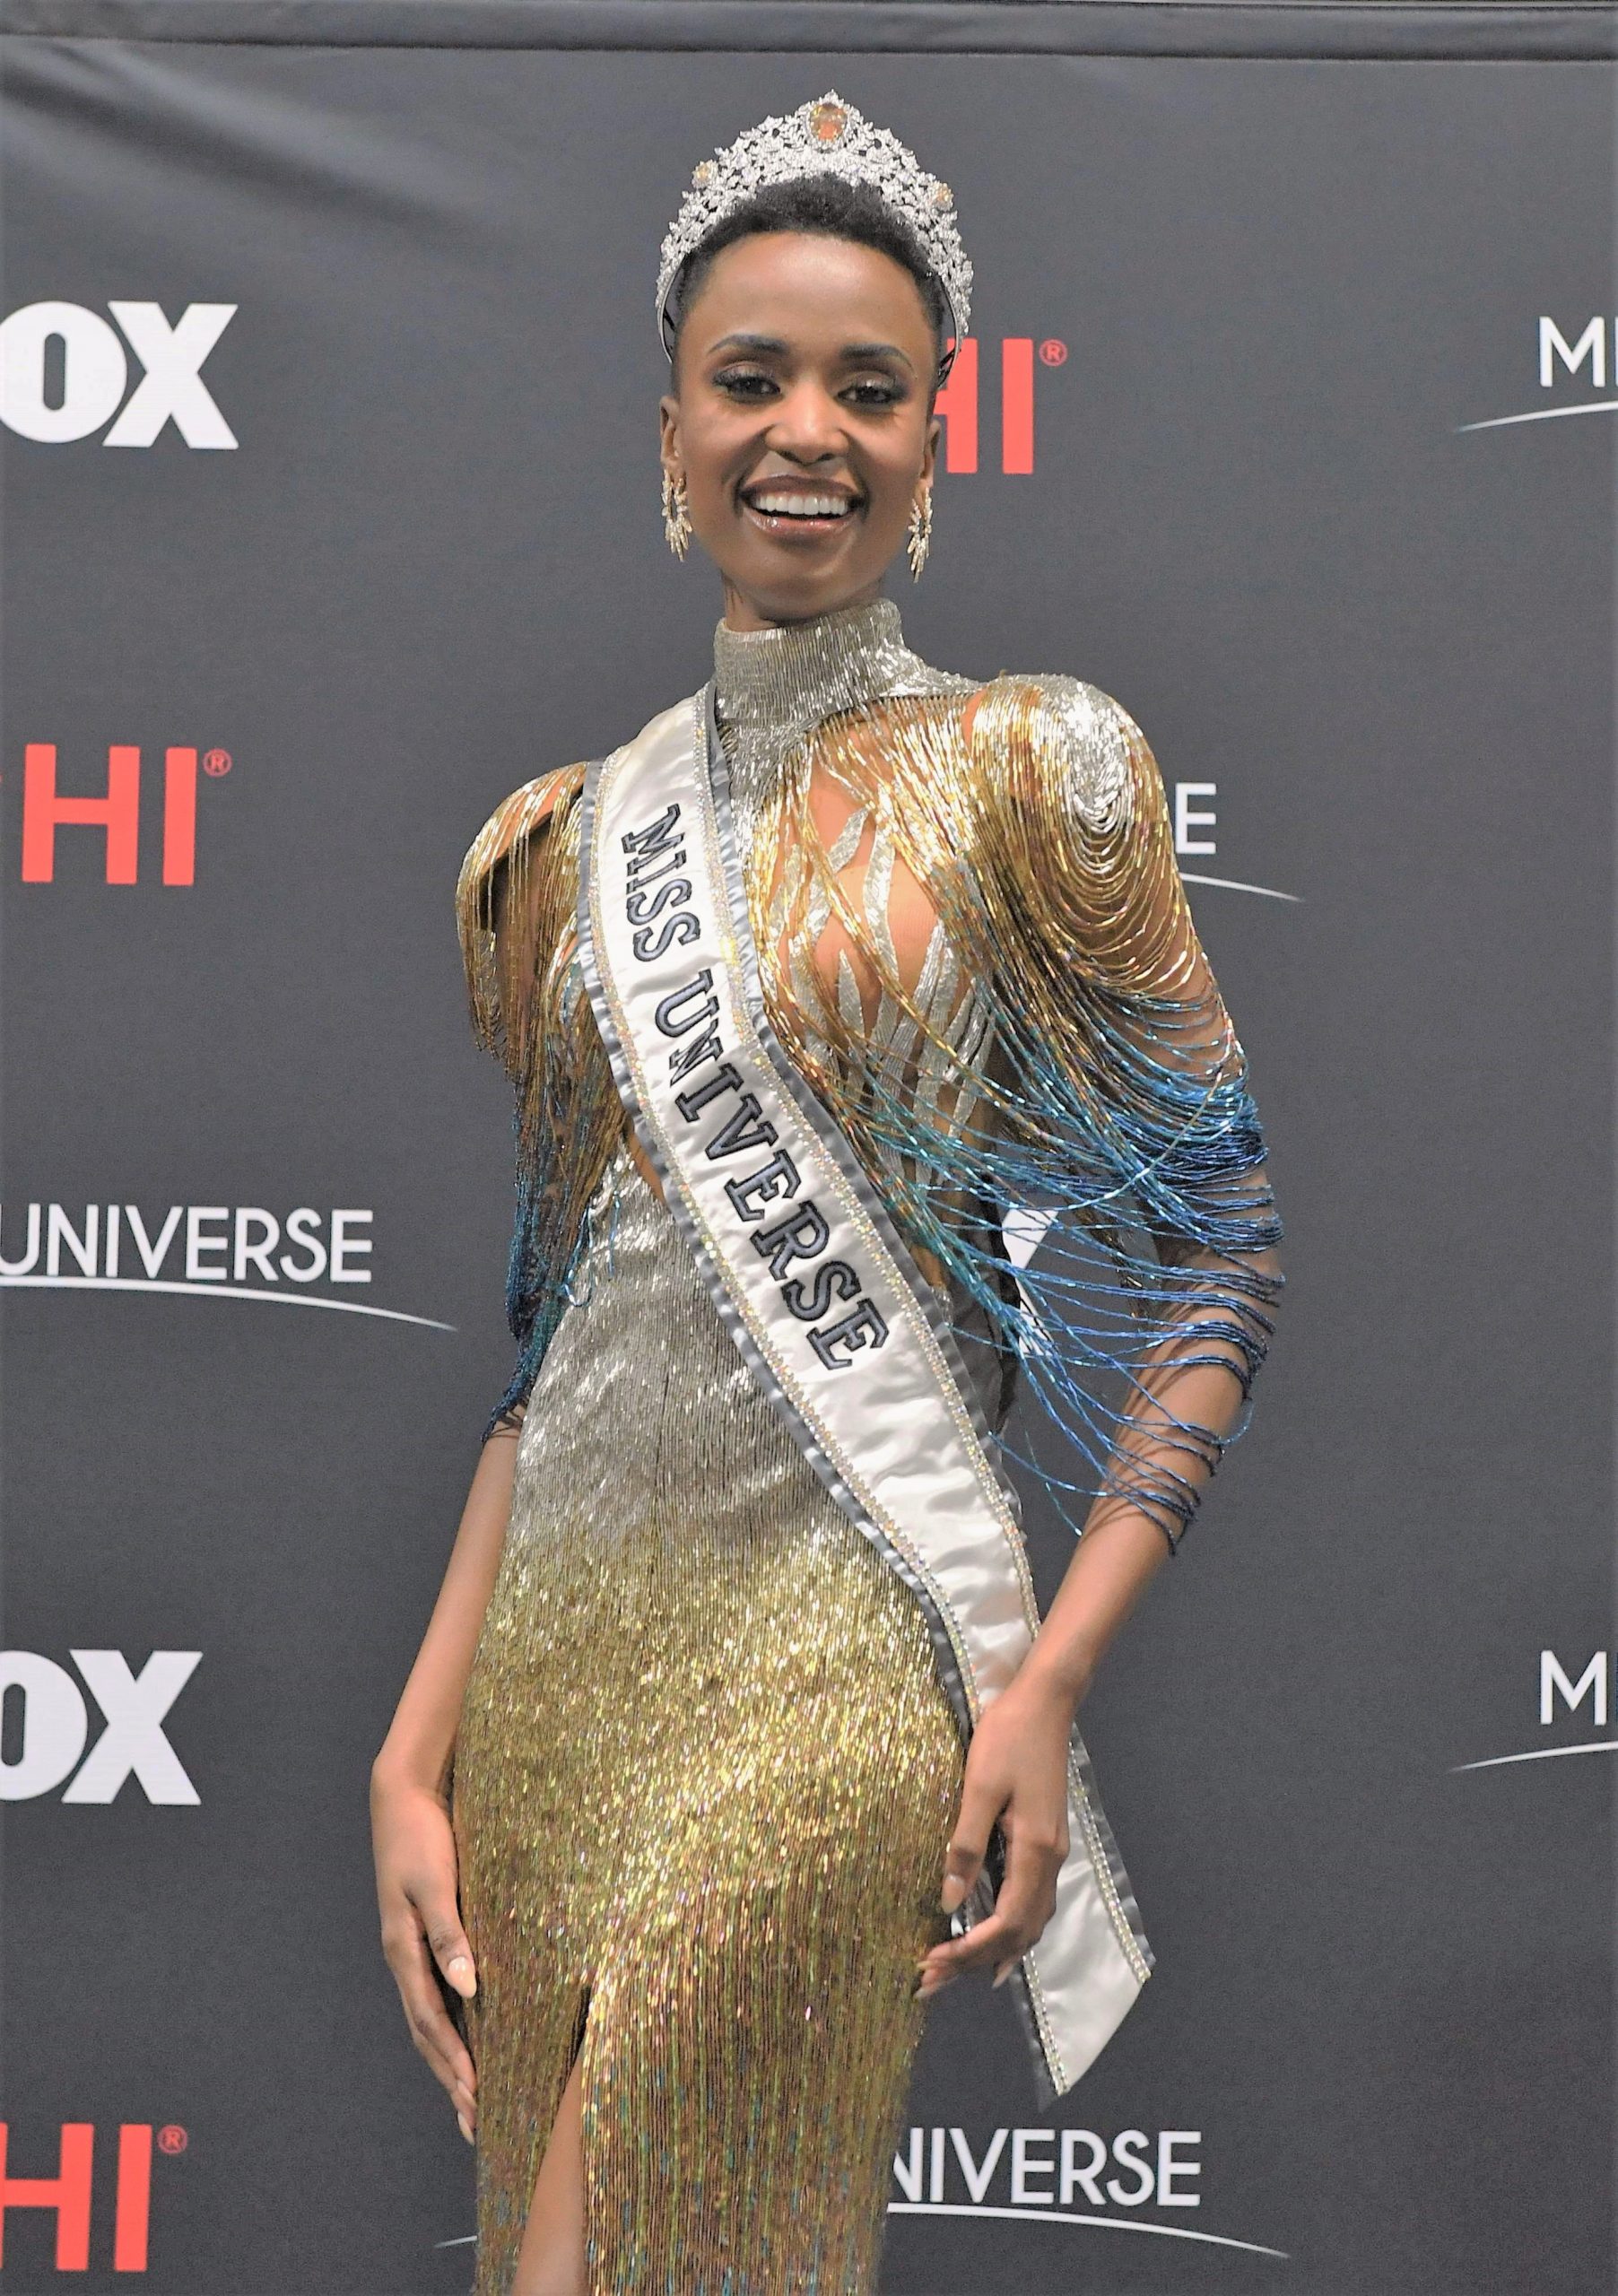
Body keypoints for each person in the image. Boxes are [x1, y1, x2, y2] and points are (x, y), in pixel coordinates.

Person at [370, 92, 1283, 2296]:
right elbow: (553, 1348)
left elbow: (1218, 1252)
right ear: (668, 432)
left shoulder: (1030, 767)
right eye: (750, 379)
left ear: (934, 437)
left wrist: (1042, 1681)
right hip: (556, 1683)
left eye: (866, 389)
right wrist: (408, 1751)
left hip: (838, 1660)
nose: (806, 433)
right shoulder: (554, 846)